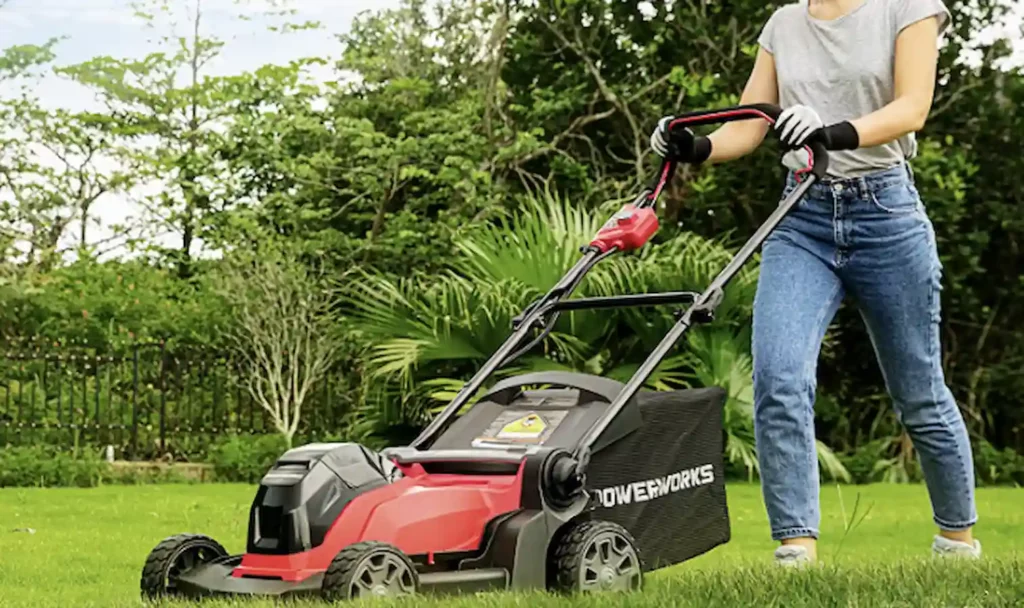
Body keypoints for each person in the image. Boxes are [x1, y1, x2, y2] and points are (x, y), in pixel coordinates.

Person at [649, 0, 980, 566]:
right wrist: (694, 146)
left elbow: (912, 108)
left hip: (887, 213)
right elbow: (753, 122)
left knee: (919, 392)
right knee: (779, 378)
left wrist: (831, 131)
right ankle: (796, 552)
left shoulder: (908, 8)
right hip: (801, 216)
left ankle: (956, 541)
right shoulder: (783, 23)